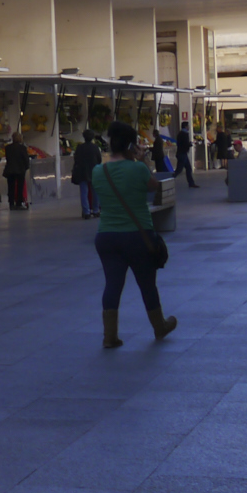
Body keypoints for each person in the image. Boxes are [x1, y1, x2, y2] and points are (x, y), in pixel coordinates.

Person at [92, 121, 178, 348]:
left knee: (112, 285)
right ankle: (159, 327)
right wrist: (144, 161)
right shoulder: (139, 168)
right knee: (147, 285)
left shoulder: (98, 171)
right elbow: (153, 187)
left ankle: (109, 336)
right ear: (131, 144)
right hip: (138, 236)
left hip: (106, 237)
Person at [70, 128, 101, 219]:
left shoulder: (80, 148)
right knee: (95, 191)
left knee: (84, 192)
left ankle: (86, 211)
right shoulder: (95, 147)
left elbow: (76, 159)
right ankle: (96, 210)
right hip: (94, 172)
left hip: (82, 172)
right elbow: (99, 160)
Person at [3, 134, 34, 210]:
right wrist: (26, 167)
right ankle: (18, 203)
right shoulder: (22, 148)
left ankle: (11, 203)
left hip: (10, 169)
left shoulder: (8, 148)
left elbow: (7, 158)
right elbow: (26, 159)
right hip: (20, 169)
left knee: (11, 187)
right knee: (20, 186)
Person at [174, 118, 198, 189]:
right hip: (182, 154)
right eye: (188, 126)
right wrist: (190, 144)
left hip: (182, 153)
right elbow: (185, 144)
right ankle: (168, 179)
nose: (189, 127)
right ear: (185, 126)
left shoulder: (180, 134)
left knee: (188, 168)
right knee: (179, 170)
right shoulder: (184, 134)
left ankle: (191, 183)